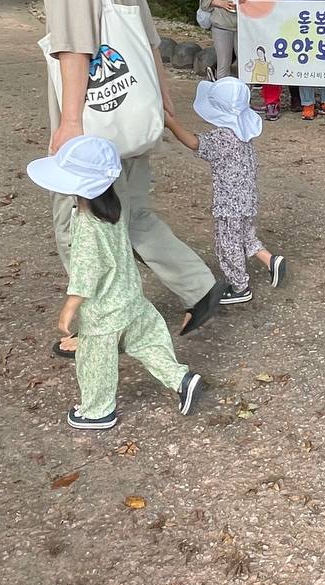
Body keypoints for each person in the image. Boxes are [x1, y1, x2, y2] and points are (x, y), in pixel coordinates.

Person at [16, 0, 222, 352]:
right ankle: (198, 285)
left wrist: (69, 123)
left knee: (79, 223)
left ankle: (97, 329)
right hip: (131, 107)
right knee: (132, 212)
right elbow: (145, 33)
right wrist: (162, 99)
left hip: (93, 117)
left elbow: (74, 41)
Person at [27, 135, 204, 430]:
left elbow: (86, 272)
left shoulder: (86, 224)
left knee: (95, 362)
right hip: (130, 297)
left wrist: (69, 307)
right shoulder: (113, 208)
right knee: (147, 342)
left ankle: (97, 411)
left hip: (104, 311)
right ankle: (181, 379)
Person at [164, 79, 286, 307]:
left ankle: (240, 287)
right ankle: (271, 261)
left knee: (228, 243)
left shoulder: (222, 138)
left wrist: (171, 124)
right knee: (245, 236)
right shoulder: (243, 134)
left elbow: (195, 143)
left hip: (230, 202)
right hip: (247, 197)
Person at [238, 0, 284, 118]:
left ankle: (273, 103)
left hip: (270, 26)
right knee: (258, 63)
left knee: (269, 62)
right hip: (255, 26)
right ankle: (264, 101)